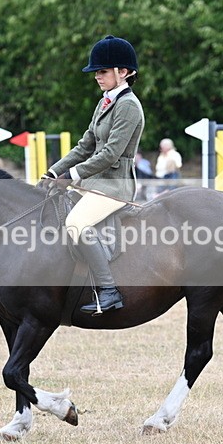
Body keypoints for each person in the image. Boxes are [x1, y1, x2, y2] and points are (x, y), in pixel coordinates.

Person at [39, 35, 145, 315]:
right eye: (97, 72)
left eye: (103, 71)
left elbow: (110, 153)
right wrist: (55, 170)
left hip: (115, 186)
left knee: (75, 224)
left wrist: (71, 175)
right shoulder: (105, 103)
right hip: (94, 182)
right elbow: (85, 145)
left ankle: (108, 290)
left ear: (124, 72)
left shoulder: (128, 106)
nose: (97, 76)